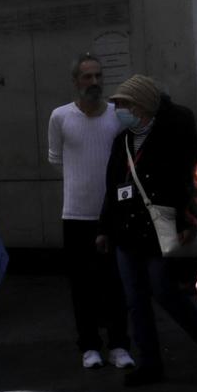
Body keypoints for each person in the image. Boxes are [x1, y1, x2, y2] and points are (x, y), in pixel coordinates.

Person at [97, 74, 197, 387]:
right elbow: (112, 188)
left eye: (125, 104)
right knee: (135, 298)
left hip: (158, 225)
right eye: (118, 104)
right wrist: (104, 228)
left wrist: (186, 221)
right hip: (126, 229)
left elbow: (184, 182)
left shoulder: (169, 137)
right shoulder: (122, 141)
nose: (120, 110)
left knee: (162, 290)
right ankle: (149, 363)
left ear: (143, 106)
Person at [47, 54, 133, 370]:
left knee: (115, 283)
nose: (94, 83)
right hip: (76, 214)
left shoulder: (117, 115)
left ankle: (120, 345)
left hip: (112, 215)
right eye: (88, 77)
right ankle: (89, 346)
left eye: (98, 76)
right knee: (82, 285)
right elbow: (56, 158)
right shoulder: (60, 117)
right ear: (76, 82)